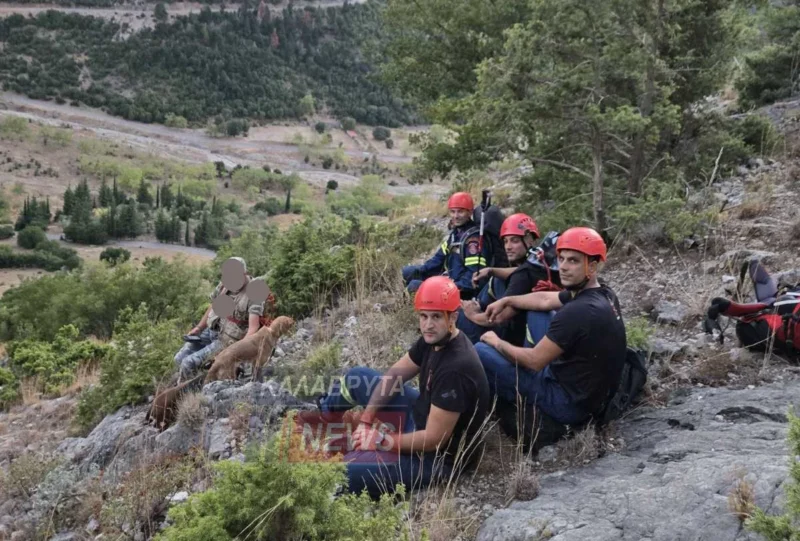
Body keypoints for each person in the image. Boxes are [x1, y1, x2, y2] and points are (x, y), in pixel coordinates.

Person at [315, 276, 491, 498]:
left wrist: (380, 441)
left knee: (341, 471)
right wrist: (367, 419)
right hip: (418, 417)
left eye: (436, 316)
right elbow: (395, 375)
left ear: (453, 318)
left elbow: (433, 440)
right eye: (423, 316)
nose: (428, 324)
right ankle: (323, 417)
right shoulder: (433, 339)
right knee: (357, 377)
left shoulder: (456, 367)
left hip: (435, 459)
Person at [476, 227, 626, 451]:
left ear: (592, 266)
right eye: (561, 258)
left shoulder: (578, 312)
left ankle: (499, 402)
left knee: (480, 349)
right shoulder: (602, 292)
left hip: (567, 402)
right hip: (585, 387)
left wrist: (496, 342)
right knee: (538, 312)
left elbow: (535, 361)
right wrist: (508, 301)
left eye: (573, 261)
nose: (563, 267)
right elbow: (546, 300)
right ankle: (521, 372)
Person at [457, 213, 557, 345]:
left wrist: (472, 315)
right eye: (505, 241)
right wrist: (491, 270)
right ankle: (479, 304)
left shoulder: (523, 276)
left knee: (459, 317)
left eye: (514, 240)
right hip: (526, 332)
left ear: (529, 239)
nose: (508, 247)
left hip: (514, 342)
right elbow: (517, 271)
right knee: (496, 279)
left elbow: (499, 318)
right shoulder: (541, 262)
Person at [173, 257, 265, 381]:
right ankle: (189, 380)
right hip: (213, 330)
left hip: (227, 340)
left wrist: (236, 352)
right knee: (178, 359)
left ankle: (189, 392)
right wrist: (199, 327)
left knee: (187, 364)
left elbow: (253, 328)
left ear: (244, 273)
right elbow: (213, 306)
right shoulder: (225, 284)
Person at [401, 192, 491, 299]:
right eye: (453, 212)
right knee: (408, 271)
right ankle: (411, 304)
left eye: (460, 212)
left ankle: (407, 308)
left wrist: (448, 287)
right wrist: (420, 271)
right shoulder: (455, 234)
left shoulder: (473, 241)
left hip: (461, 291)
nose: (456, 216)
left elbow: (472, 278)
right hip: (449, 280)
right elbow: (437, 261)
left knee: (415, 286)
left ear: (470, 212)